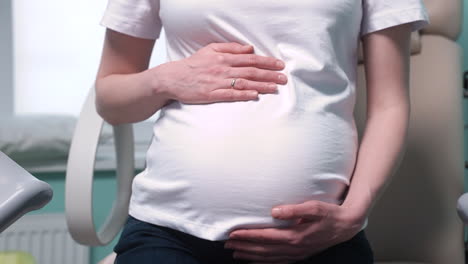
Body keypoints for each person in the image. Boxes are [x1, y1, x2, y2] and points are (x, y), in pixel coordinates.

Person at [95, 0, 430, 263]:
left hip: (319, 240)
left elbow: (390, 105)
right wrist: (166, 79)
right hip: (171, 232)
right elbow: (110, 100)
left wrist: (354, 214)